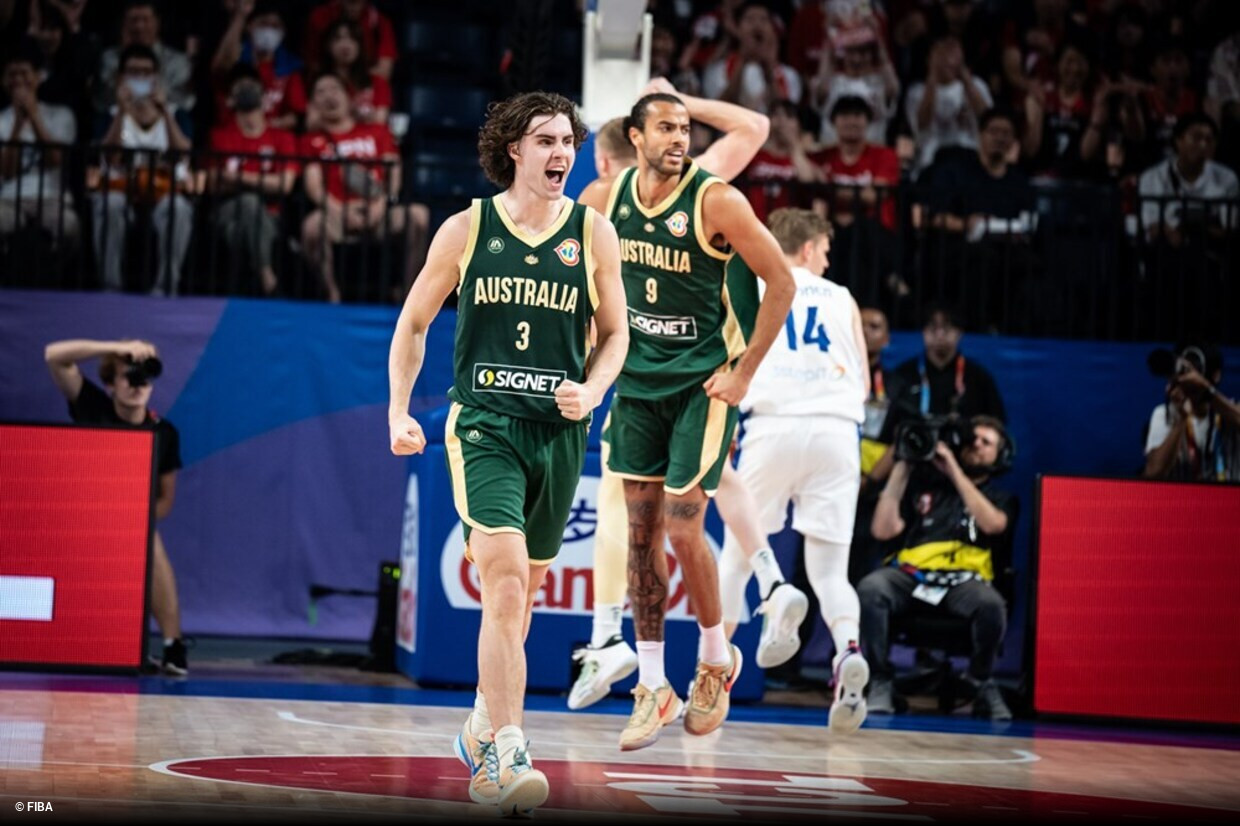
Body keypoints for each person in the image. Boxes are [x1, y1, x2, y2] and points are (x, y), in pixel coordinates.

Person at [387, 91, 628, 816]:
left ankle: (480, 722)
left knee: (519, 609)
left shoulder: (593, 234)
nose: (562, 154)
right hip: (484, 425)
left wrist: (594, 390)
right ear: (513, 151)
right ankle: (507, 751)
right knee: (506, 586)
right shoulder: (467, 229)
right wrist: (398, 410)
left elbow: (615, 335)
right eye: (546, 140)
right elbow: (414, 323)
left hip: (559, 434)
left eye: (569, 142)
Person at [569, 80, 808, 712]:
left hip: (703, 383)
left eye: (686, 129)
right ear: (636, 138)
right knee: (641, 534)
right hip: (638, 387)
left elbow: (782, 282)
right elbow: (589, 291)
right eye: (667, 128)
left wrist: (745, 375)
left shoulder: (717, 198)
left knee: (681, 525)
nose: (680, 138)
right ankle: (652, 682)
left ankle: (714, 657)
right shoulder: (602, 199)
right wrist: (594, 370)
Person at [718, 207, 870, 734]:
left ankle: (712, 675)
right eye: (825, 251)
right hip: (836, 431)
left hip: (773, 425)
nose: (827, 262)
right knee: (831, 572)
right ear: (806, 248)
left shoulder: (757, 287)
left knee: (737, 557)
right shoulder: (844, 298)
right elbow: (867, 384)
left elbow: (730, 355)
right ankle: (847, 651)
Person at [44, 337, 188, 675]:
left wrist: (132, 519)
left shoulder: (163, 431)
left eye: (144, 378)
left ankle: (173, 646)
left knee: (150, 541)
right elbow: (53, 356)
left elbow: (165, 500)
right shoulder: (92, 406)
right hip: (78, 522)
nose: (138, 385)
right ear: (110, 384)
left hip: (129, 528)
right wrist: (118, 347)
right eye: (128, 376)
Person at [861, 415, 1018, 721]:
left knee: (991, 605)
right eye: (973, 439)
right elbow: (882, 530)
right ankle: (880, 678)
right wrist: (904, 464)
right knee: (872, 587)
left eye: (987, 443)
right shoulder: (925, 489)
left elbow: (993, 524)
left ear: (1001, 455)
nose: (977, 445)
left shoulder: (1001, 498)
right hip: (913, 578)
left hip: (964, 584)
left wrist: (954, 471)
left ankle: (978, 680)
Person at [299, 72, 428, 303]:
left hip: (378, 212)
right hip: (337, 214)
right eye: (321, 92)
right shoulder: (311, 140)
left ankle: (408, 295)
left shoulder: (377, 131)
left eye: (335, 89)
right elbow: (315, 188)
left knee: (418, 217)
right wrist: (341, 212)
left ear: (349, 98)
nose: (329, 96)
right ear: (313, 104)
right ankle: (332, 294)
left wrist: (380, 206)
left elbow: (393, 175)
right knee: (311, 228)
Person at [92, 44, 194, 296]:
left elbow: (182, 153)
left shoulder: (177, 114)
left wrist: (165, 113)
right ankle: (110, 286)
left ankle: (165, 287)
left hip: (163, 193)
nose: (140, 78)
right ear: (120, 77)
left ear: (156, 77)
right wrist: (121, 112)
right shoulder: (110, 114)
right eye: (133, 72)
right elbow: (110, 156)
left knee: (179, 209)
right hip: (121, 189)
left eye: (146, 72)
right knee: (109, 204)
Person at [870, 304, 1006, 488]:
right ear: (923, 332)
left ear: (959, 333)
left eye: (947, 327)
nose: (939, 333)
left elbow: (996, 426)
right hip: (910, 467)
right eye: (933, 327)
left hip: (962, 470)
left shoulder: (979, 378)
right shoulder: (903, 375)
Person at [206, 64, 299, 296]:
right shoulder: (219, 136)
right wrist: (263, 181)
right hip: (226, 212)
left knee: (245, 221)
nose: (247, 89)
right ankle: (267, 274)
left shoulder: (282, 138)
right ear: (229, 97)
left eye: (252, 85)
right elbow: (211, 184)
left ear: (263, 93)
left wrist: (237, 178)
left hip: (269, 217)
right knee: (248, 201)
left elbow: (284, 185)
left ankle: (252, 279)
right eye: (240, 86)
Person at [0, 45, 80, 253]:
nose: (18, 80)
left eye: (24, 73)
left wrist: (33, 116)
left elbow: (55, 160)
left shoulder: (61, 115)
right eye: (12, 74)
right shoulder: (1, 120)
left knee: (68, 225)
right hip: (8, 198)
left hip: (51, 198)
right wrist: (18, 124)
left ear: (38, 77)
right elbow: (7, 172)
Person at [1142, 343, 1240, 482]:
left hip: (1229, 500)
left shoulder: (1230, 410)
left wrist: (1207, 391)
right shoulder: (1164, 414)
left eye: (1195, 370)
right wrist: (1181, 419)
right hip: (1184, 500)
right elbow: (1153, 474)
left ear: (1215, 375)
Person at [94, 1, 195, 129]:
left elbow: (186, 102)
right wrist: (126, 57)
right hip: (120, 122)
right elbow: (101, 101)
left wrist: (153, 102)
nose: (139, 27)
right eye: (134, 20)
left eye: (146, 20)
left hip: (164, 125)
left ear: (157, 23)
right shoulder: (109, 58)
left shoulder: (177, 61)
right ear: (124, 23)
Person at [210, 0, 306, 132]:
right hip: (232, 135)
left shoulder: (289, 67)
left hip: (272, 138)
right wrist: (240, 18)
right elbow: (221, 67)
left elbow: (294, 115)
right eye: (263, 24)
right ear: (250, 26)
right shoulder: (236, 60)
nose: (269, 30)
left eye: (275, 26)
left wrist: (261, 130)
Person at [904, 35, 992, 175]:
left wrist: (965, 77)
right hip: (931, 162)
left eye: (952, 52)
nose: (948, 58)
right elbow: (921, 124)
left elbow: (988, 118)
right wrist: (933, 73)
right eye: (942, 53)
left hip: (971, 160)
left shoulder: (976, 85)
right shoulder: (917, 91)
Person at [703, 1, 803, 113]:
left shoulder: (789, 75)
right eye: (750, 19)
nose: (757, 25)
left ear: (772, 29)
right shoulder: (718, 69)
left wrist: (768, 70)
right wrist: (743, 62)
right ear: (737, 28)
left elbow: (787, 114)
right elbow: (719, 111)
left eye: (763, 20)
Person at [307, 18, 391, 129]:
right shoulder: (319, 82)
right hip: (331, 143)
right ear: (328, 45)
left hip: (366, 143)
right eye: (338, 39)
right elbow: (312, 123)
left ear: (360, 46)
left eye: (352, 39)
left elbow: (380, 123)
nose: (346, 45)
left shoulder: (378, 83)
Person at [304, 0, 397, 80]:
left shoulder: (380, 23)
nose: (346, 44)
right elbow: (312, 67)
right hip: (327, 86)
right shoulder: (320, 17)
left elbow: (383, 73)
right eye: (338, 38)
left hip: (363, 86)